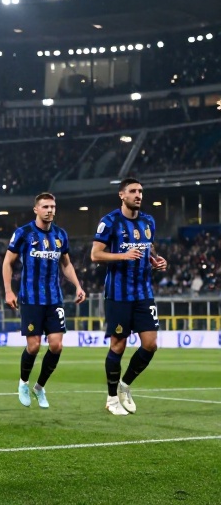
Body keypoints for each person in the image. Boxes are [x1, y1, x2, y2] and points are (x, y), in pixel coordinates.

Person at [90, 178, 167, 416]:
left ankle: (124, 385)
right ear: (122, 195)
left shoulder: (148, 221)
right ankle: (112, 398)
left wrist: (156, 260)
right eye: (133, 191)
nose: (138, 195)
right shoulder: (110, 221)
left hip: (143, 292)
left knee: (151, 344)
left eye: (140, 191)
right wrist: (122, 256)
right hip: (118, 294)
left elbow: (148, 248)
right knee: (118, 345)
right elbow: (95, 255)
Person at [2, 192, 86, 409]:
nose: (50, 210)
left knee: (56, 345)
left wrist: (78, 286)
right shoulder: (23, 233)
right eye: (45, 207)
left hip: (54, 298)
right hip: (30, 298)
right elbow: (7, 262)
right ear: (36, 209)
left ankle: (39, 387)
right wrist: (9, 291)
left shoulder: (60, 234)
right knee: (34, 346)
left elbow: (66, 264)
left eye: (52, 207)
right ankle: (23, 383)